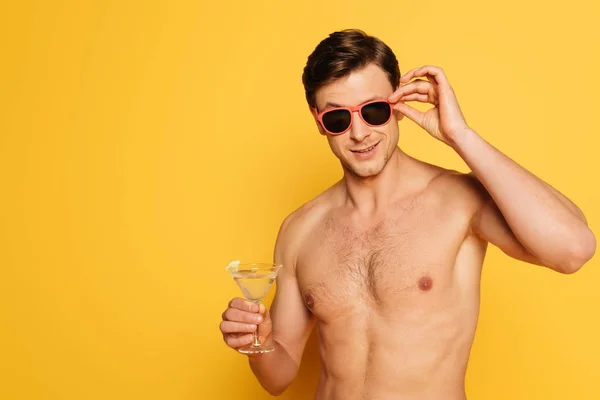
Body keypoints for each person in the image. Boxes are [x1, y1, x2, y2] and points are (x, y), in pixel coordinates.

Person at [219, 29, 596, 399]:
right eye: (339, 119)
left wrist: (459, 135)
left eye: (374, 110)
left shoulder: (457, 201)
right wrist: (259, 342)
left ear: (398, 104)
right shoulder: (300, 230)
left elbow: (573, 249)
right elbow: (277, 377)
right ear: (319, 121)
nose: (360, 133)